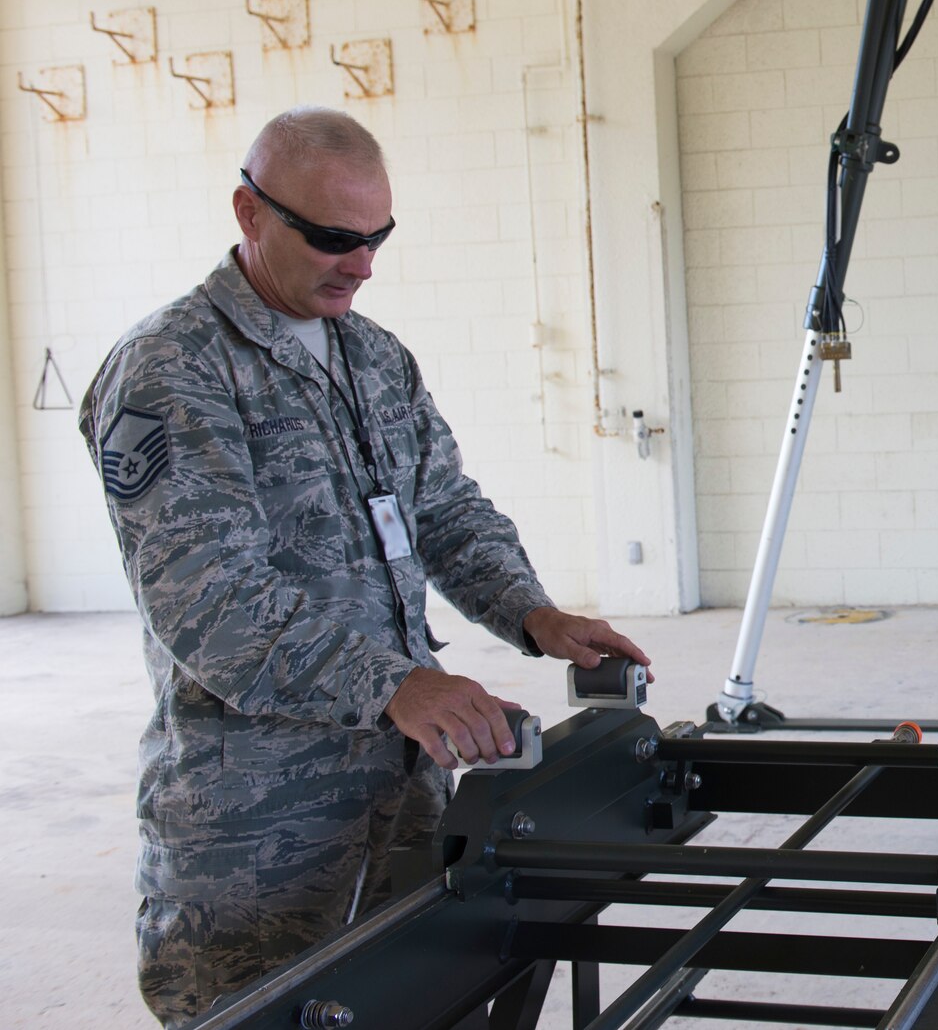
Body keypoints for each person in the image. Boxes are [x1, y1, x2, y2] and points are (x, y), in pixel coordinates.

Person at [80, 106, 651, 1027]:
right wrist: (400, 683)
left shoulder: (371, 356)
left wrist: (533, 615)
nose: (363, 264)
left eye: (379, 236)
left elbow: (443, 510)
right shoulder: (171, 369)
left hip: (398, 796)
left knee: (421, 1000)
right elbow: (212, 604)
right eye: (336, 238)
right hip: (257, 832)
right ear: (250, 212)